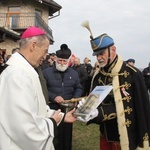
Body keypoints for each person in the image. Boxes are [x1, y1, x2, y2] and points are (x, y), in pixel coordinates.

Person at [0, 26, 77, 150]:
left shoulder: (25, 71)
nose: (45, 56)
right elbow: (24, 128)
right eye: (45, 50)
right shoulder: (18, 76)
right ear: (33, 45)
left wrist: (62, 117)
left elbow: (36, 108)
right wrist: (51, 123)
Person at [79, 21, 150, 150]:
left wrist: (144, 139)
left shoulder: (132, 74)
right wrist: (86, 109)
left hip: (127, 136)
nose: (99, 58)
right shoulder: (98, 74)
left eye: (102, 53)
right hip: (105, 134)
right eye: (97, 55)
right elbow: (95, 101)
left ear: (113, 50)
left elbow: (142, 107)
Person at [43, 44, 83, 150]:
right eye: (60, 60)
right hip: (53, 109)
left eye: (64, 61)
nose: (62, 63)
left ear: (68, 61)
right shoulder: (46, 73)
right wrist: (53, 96)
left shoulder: (73, 73)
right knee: (54, 135)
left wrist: (75, 98)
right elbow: (43, 89)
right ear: (56, 59)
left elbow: (78, 88)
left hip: (68, 110)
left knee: (67, 135)